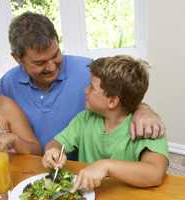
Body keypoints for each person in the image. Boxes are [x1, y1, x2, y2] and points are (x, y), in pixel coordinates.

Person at [0, 12, 165, 155]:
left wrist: (145, 109)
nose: (52, 66)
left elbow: (124, 95)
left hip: (81, 164)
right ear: (18, 59)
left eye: (56, 54)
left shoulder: (88, 70)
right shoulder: (8, 83)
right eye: (40, 62)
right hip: (37, 166)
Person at [42, 55, 168, 191]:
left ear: (112, 101)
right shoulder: (84, 119)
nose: (85, 91)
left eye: (91, 87)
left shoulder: (146, 126)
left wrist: (106, 166)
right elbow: (57, 143)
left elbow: (155, 174)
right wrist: (52, 151)